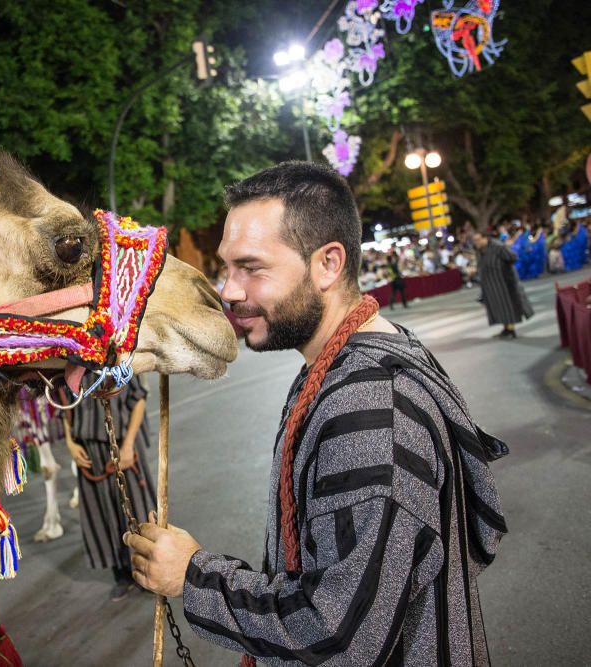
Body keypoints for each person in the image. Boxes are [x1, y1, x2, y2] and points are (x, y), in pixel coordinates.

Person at [124, 162, 506, 666]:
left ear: (327, 264)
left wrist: (192, 575)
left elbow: (339, 635)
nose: (229, 290)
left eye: (252, 268)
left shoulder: (369, 407)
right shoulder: (349, 363)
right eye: (227, 266)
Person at [64, 374, 155, 601]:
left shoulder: (116, 364)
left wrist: (128, 445)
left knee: (137, 512)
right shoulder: (71, 369)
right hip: (90, 452)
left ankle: (147, 572)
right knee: (103, 515)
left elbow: (139, 400)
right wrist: (70, 444)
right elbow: (65, 409)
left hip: (123, 446)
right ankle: (122, 575)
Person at [472, 231, 534, 339]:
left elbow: (512, 257)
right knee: (498, 307)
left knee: (507, 306)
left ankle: (511, 330)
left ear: (485, 238)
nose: (476, 242)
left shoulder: (498, 247)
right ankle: (506, 328)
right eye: (475, 240)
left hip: (503, 282)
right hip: (491, 285)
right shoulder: (479, 250)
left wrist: (504, 270)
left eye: (478, 240)